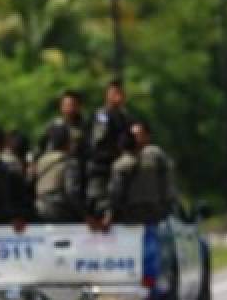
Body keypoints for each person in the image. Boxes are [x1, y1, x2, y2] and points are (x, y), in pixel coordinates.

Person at [106, 121, 176, 226]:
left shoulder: (155, 155)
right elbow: (115, 194)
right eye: (133, 135)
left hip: (155, 214)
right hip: (130, 217)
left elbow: (167, 183)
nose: (136, 138)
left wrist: (168, 205)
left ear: (147, 136)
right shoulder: (121, 164)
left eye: (139, 135)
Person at [86, 80, 132, 217]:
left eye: (120, 93)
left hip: (121, 165)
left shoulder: (125, 116)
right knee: (100, 203)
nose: (117, 97)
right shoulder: (102, 114)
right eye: (113, 93)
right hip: (102, 165)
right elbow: (98, 139)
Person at [32, 124, 85, 222]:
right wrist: (84, 214)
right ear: (67, 142)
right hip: (60, 211)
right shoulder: (69, 162)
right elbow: (72, 192)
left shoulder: (41, 161)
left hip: (40, 208)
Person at [36, 90, 88, 161]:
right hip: (54, 163)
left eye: (72, 105)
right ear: (61, 106)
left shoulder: (86, 126)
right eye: (66, 105)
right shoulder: (53, 125)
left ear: (78, 106)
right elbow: (41, 145)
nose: (69, 108)